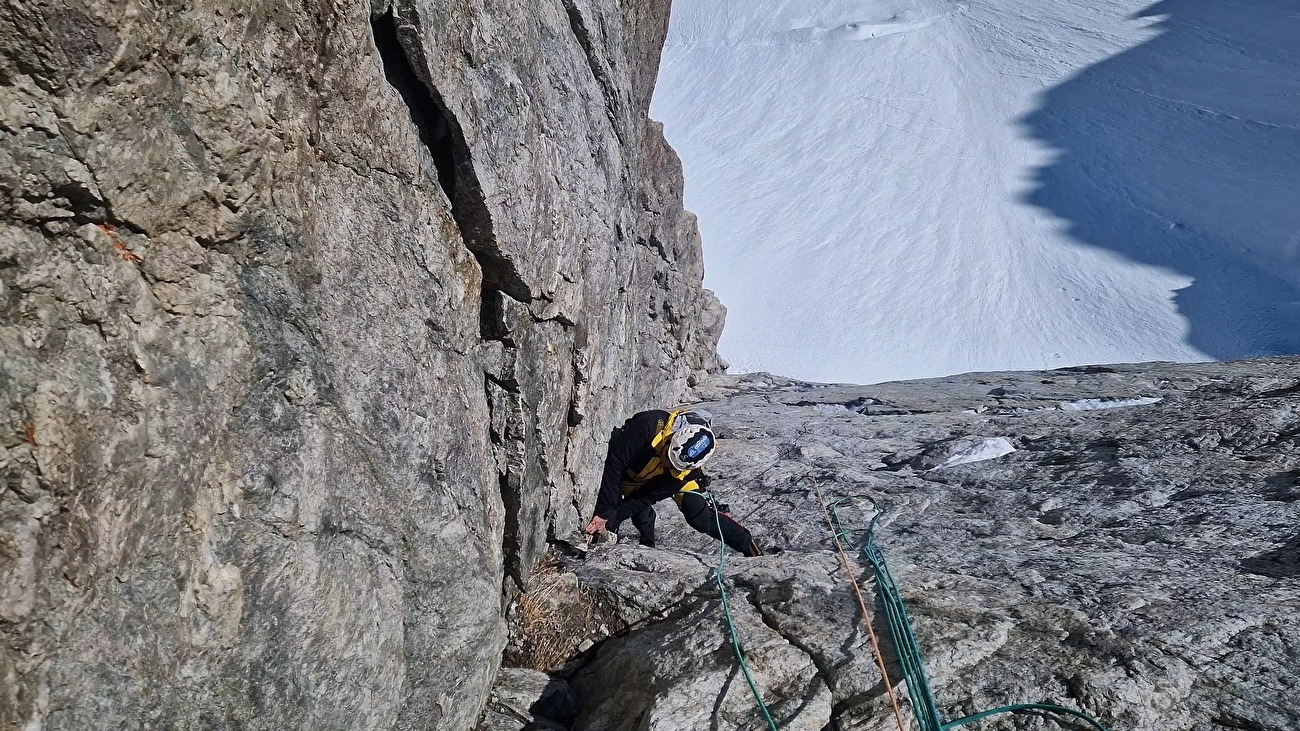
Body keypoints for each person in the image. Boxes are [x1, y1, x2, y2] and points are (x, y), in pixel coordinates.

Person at [584, 408, 764, 556]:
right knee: (638, 515)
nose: (666, 464)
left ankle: (747, 545)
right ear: (671, 439)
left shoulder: (682, 472)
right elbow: (615, 464)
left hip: (667, 479)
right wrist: (606, 512)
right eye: (667, 457)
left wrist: (610, 518)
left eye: (672, 465)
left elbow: (647, 496)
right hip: (634, 472)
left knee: (700, 517)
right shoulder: (649, 426)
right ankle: (648, 542)